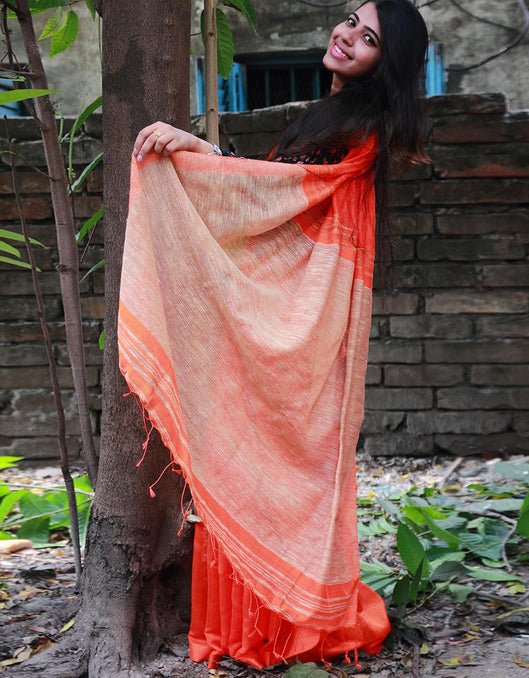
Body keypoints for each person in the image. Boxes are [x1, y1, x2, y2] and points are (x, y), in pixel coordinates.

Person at [122, 0, 429, 671]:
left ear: (389, 59)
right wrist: (208, 156)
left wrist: (201, 157)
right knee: (265, 454)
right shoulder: (337, 115)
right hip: (292, 309)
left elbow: (287, 196)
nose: (347, 35)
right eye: (350, 20)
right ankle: (258, 621)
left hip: (303, 316)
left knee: (280, 457)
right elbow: (280, 197)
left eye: (369, 37)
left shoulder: (364, 122)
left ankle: (286, 622)